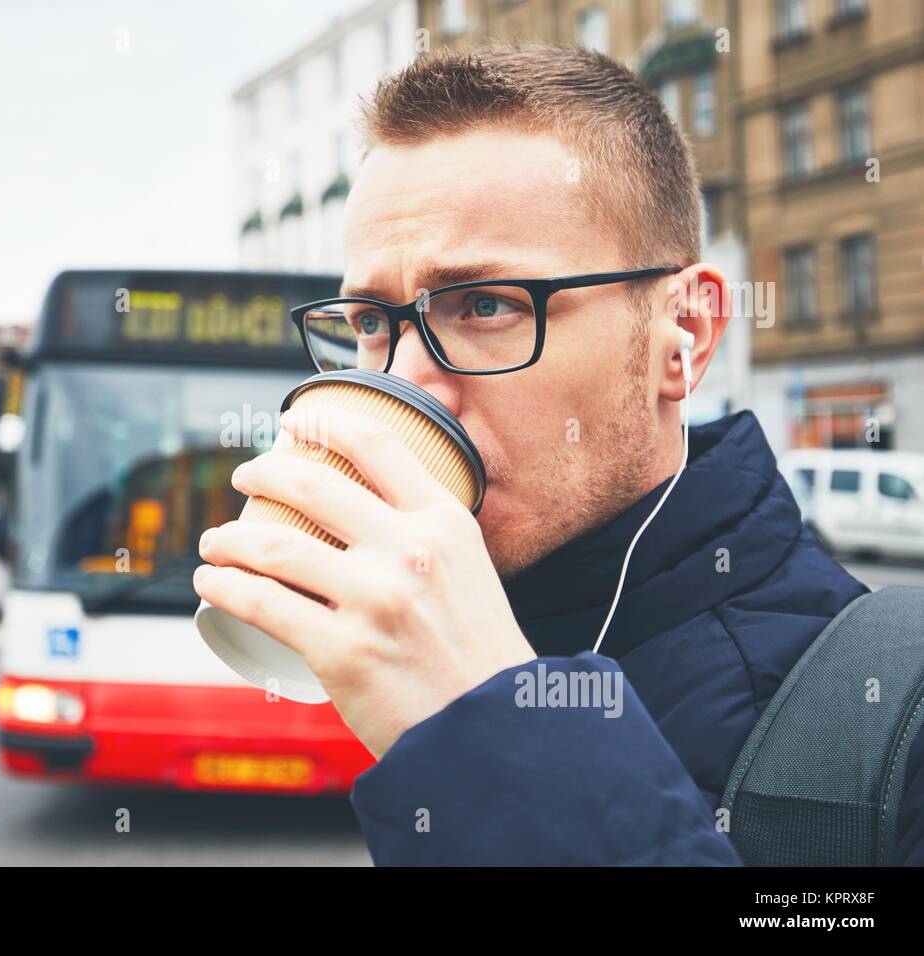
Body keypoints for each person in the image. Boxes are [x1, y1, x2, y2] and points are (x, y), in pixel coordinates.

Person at [192, 44, 924, 865]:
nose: (406, 384)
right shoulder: (419, 648)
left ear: (682, 333)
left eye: (487, 304)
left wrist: (496, 727)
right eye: (370, 322)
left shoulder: (898, 718)